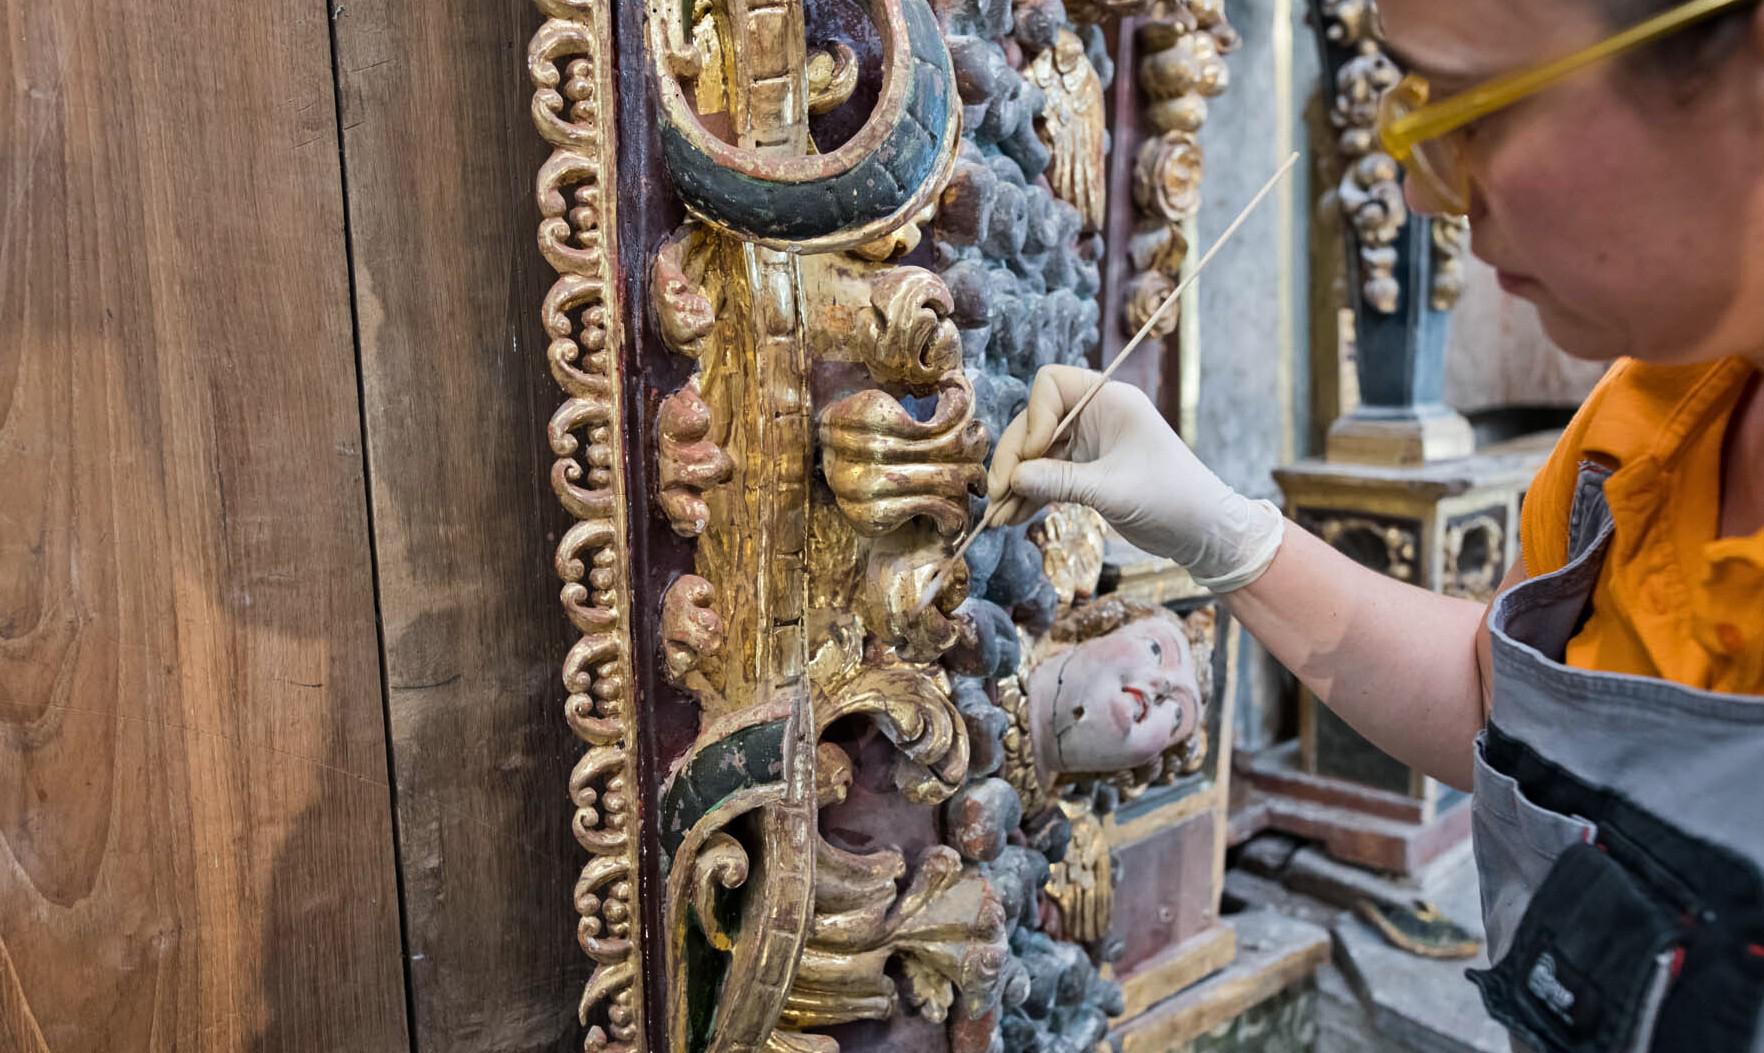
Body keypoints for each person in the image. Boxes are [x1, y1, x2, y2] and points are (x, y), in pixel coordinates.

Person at [986, 0, 1764, 1048]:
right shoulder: (1646, 429)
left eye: (1472, 107)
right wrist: (1221, 531)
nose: (1416, 188)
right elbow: (1508, 706)